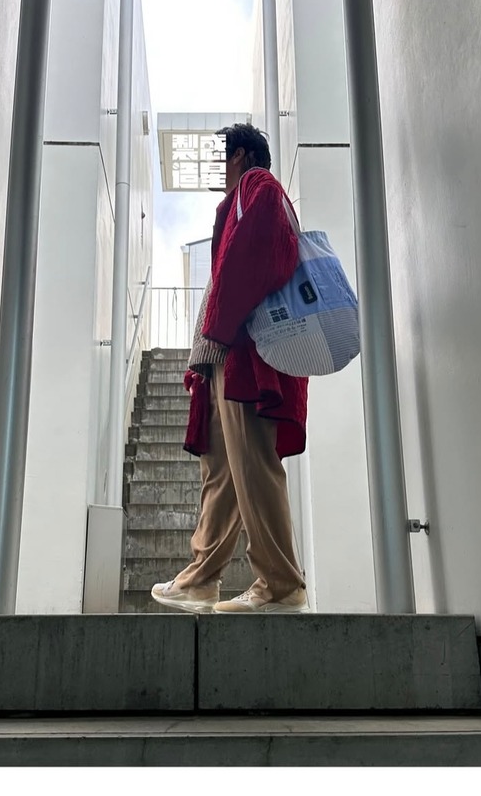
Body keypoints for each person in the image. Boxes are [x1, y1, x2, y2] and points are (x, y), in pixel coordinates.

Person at [151, 123, 309, 614]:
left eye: (222, 158)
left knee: (252, 464)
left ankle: (281, 584)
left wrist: (217, 334)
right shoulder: (248, 195)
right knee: (221, 472)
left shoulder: (258, 186)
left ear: (240, 155)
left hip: (242, 352)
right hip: (226, 354)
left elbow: (251, 260)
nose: (218, 169)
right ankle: (201, 578)